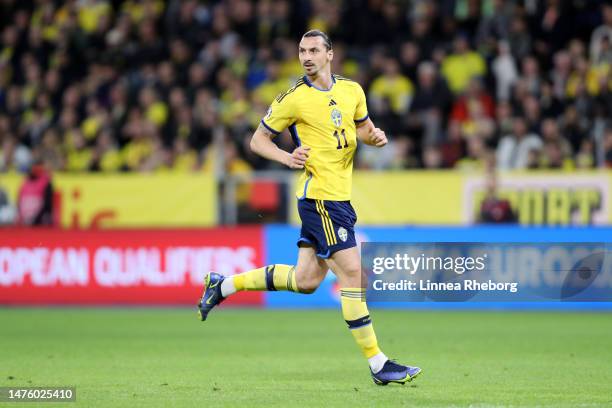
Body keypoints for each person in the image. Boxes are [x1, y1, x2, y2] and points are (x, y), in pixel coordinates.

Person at [197, 30, 421, 385]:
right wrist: (287, 157)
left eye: (314, 50)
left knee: (306, 280)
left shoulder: (352, 90)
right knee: (354, 277)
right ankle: (379, 364)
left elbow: (361, 128)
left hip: (339, 198)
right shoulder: (293, 98)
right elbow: (257, 140)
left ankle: (223, 285)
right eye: (302, 50)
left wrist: (374, 137)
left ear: (330, 54)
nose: (307, 56)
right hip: (320, 199)